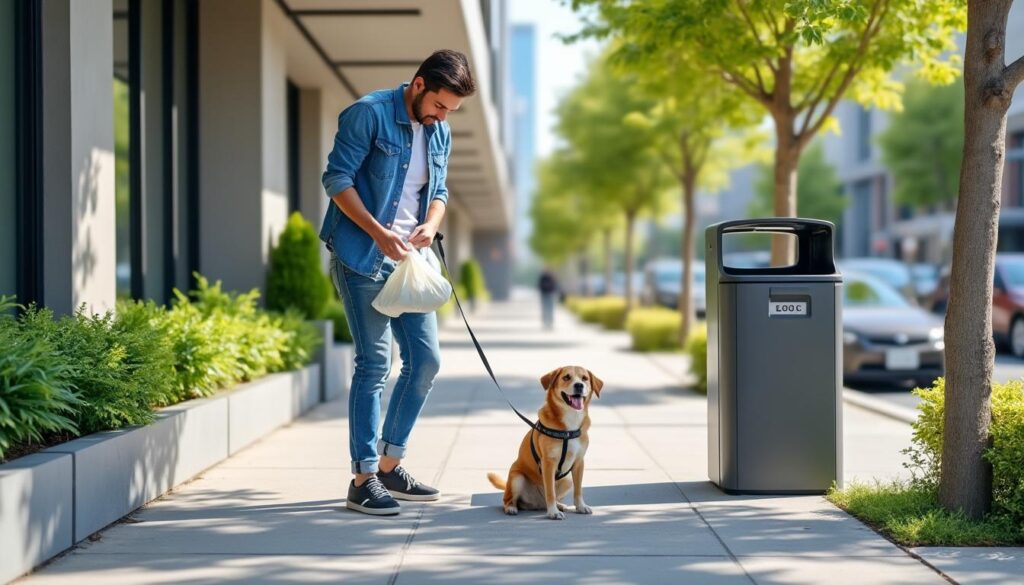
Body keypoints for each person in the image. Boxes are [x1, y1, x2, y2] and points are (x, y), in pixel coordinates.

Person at [319, 50, 476, 516]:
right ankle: (363, 478)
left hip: (413, 262)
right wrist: (378, 232)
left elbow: (440, 192)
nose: (443, 117)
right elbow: (336, 178)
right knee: (374, 365)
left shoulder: (439, 132)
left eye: (451, 111)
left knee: (425, 362)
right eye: (441, 106)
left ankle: (390, 465)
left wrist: (430, 223)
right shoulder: (368, 114)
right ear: (419, 84)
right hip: (364, 256)